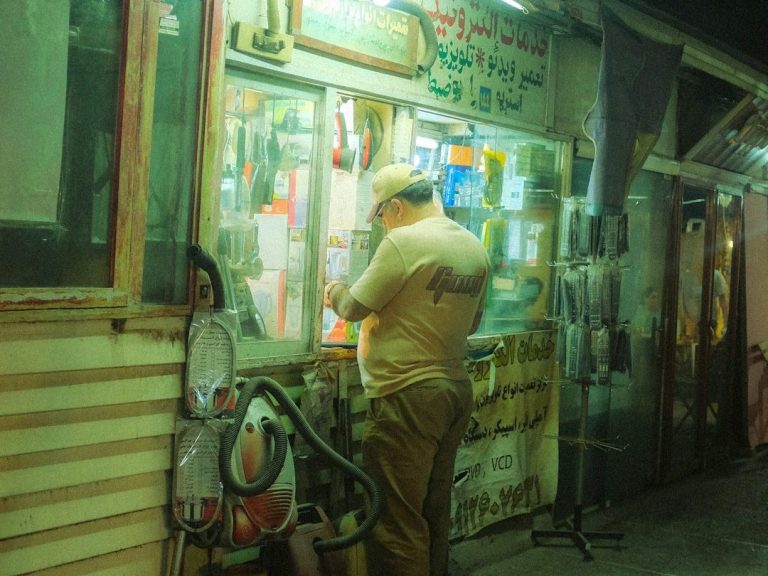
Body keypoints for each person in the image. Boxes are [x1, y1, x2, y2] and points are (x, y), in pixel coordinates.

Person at [323, 163, 490, 576]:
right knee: (433, 511)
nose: (383, 224)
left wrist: (333, 289)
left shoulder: (403, 242)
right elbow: (472, 324)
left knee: (396, 520)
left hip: (407, 397)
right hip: (453, 392)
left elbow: (353, 307)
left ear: (396, 207)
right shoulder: (473, 246)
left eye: (381, 214)